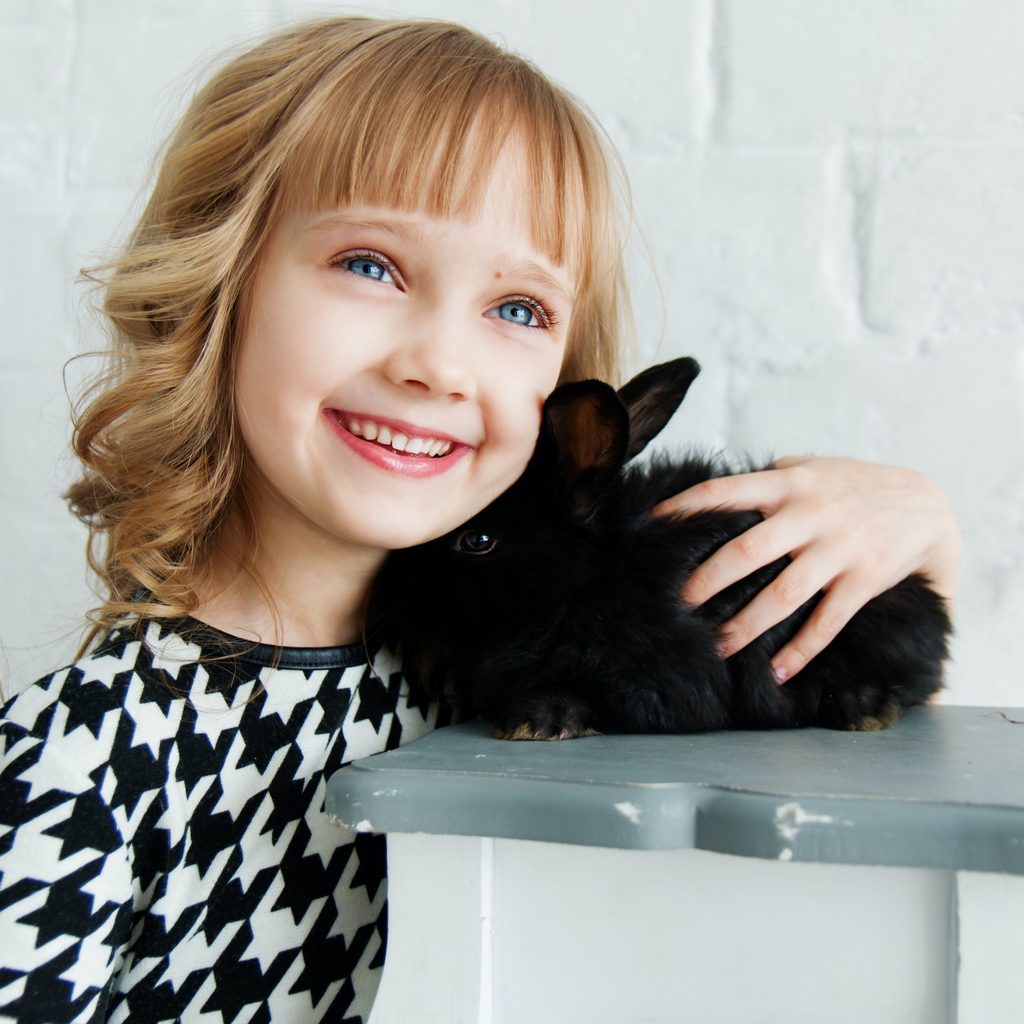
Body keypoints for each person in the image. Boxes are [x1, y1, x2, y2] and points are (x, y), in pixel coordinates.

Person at [0, 14, 961, 1024]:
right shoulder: (83, 757)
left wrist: (923, 528)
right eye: (370, 265)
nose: (440, 364)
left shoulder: (510, 665)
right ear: (218, 280)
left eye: (517, 310)